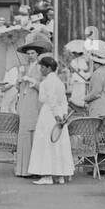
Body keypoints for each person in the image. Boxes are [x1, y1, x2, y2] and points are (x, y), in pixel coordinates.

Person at [27, 55, 74, 185]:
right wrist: (63, 114)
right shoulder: (58, 81)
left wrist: (57, 116)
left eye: (42, 67)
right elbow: (63, 101)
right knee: (58, 144)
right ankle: (60, 175)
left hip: (49, 115)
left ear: (48, 68)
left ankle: (47, 176)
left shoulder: (48, 82)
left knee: (46, 143)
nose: (40, 69)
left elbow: (51, 100)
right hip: (57, 114)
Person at [13, 35, 52, 177]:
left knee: (34, 135)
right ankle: (23, 169)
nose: (30, 56)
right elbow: (19, 88)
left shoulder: (41, 69)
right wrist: (19, 80)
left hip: (35, 104)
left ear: (37, 54)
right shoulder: (23, 68)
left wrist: (32, 81)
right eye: (28, 53)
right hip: (24, 104)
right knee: (23, 135)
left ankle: (35, 169)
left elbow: (44, 87)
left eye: (32, 53)